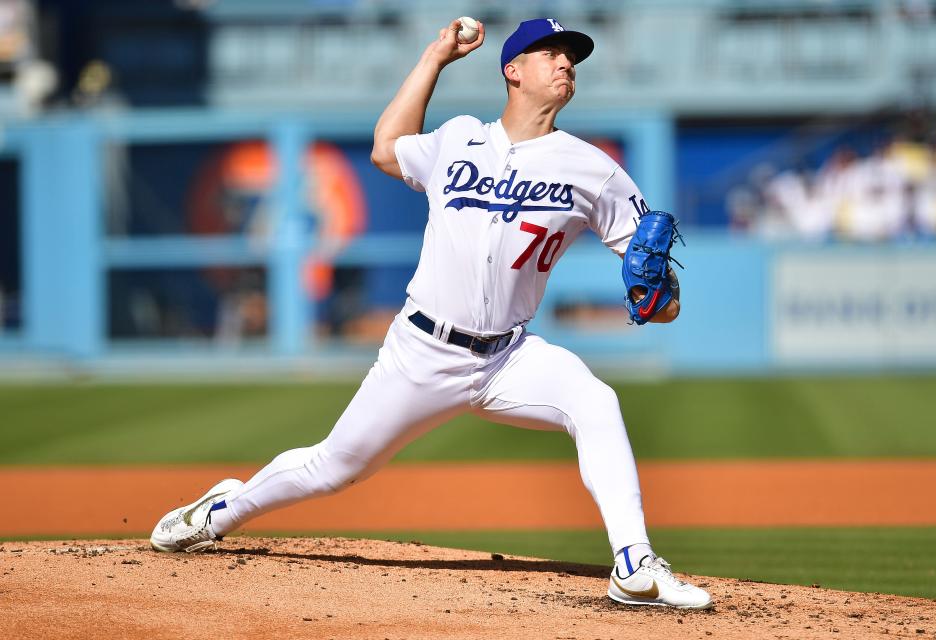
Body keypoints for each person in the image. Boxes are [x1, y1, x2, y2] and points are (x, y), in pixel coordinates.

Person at [150, 17, 712, 610]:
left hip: (509, 356)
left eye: (572, 56)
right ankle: (219, 511)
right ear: (512, 70)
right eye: (551, 53)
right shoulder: (459, 138)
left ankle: (634, 564)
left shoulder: (593, 168)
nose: (566, 63)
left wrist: (659, 297)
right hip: (421, 350)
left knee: (596, 402)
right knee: (334, 467)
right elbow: (384, 149)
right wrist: (435, 59)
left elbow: (660, 299)